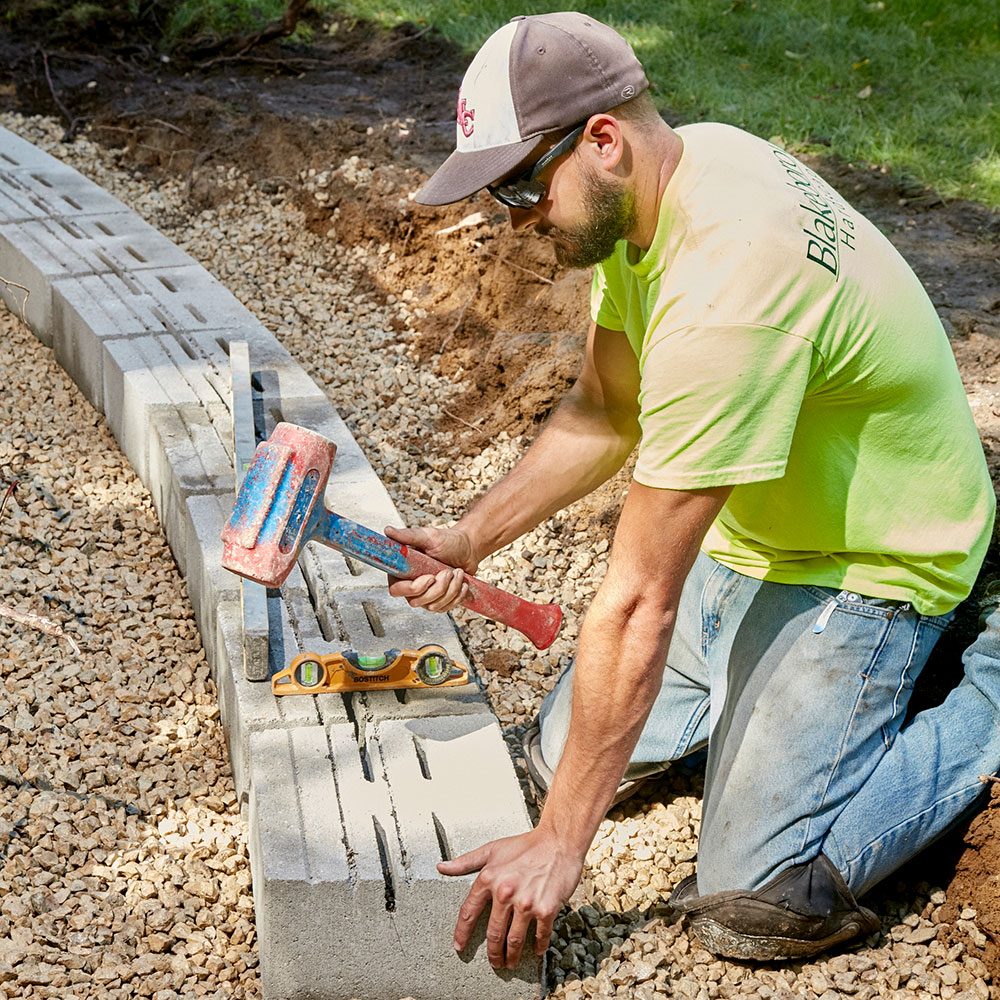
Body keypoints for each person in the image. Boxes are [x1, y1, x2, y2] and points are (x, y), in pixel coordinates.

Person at [385, 10, 1000, 971]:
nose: (512, 221)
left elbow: (637, 606)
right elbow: (603, 413)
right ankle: (752, 706)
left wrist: (561, 846)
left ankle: (989, 673)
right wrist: (471, 537)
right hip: (757, 540)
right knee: (556, 766)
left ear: (601, 141)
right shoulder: (665, 184)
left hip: (878, 560)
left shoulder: (728, 292)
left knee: (756, 901)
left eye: (518, 186)